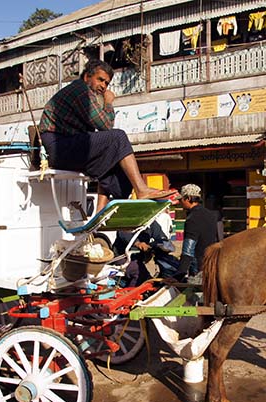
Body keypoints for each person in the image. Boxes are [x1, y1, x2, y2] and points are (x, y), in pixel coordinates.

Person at [38, 59, 174, 212]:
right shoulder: (80, 91)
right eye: (100, 80)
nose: (103, 86)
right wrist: (108, 102)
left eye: (107, 83)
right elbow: (106, 126)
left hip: (70, 146)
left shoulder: (88, 95)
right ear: (87, 77)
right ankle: (141, 189)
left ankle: (103, 210)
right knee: (118, 137)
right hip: (58, 146)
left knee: (115, 164)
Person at [170, 184, 218, 283]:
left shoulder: (192, 219)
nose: (180, 202)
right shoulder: (211, 214)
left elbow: (188, 249)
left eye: (181, 199)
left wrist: (179, 275)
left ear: (188, 198)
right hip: (213, 262)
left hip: (198, 266)